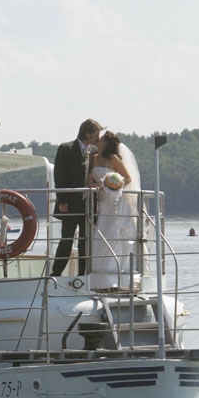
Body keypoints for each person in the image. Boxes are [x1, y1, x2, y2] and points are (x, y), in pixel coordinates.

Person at [86, 131, 141, 290]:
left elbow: (128, 178)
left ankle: (116, 278)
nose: (98, 139)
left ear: (107, 143)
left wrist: (114, 184)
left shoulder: (113, 159)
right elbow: (89, 180)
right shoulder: (94, 158)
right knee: (101, 235)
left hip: (115, 201)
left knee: (114, 235)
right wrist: (95, 187)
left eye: (101, 139)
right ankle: (100, 279)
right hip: (103, 202)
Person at [51, 118, 103, 276]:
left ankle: (83, 274)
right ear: (87, 134)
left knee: (85, 241)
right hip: (70, 203)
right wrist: (62, 201)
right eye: (96, 134)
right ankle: (56, 273)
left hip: (88, 204)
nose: (98, 138)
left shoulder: (94, 150)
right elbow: (59, 176)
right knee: (66, 239)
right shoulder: (65, 149)